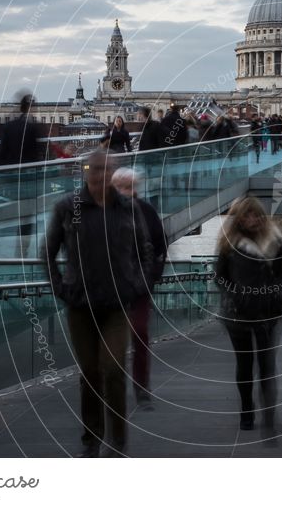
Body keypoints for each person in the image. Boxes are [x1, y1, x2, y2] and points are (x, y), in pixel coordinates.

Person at [43, 150, 154, 458]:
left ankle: (118, 441)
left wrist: (138, 285)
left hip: (117, 303)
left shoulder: (128, 209)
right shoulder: (69, 208)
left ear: (111, 174)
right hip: (81, 305)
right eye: (94, 170)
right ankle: (92, 440)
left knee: (113, 369)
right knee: (90, 374)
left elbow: (146, 250)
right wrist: (61, 288)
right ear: (86, 173)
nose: (99, 176)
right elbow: (48, 251)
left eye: (106, 170)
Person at [215, 197, 282, 437]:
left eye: (256, 215)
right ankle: (247, 409)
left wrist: (273, 291)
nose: (253, 219)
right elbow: (220, 276)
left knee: (267, 365)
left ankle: (269, 412)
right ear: (239, 219)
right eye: (247, 216)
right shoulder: (229, 243)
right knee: (244, 364)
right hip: (238, 314)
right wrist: (237, 295)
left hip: (267, 312)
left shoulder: (276, 243)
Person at [111, 168, 168, 406]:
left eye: (133, 186)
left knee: (140, 334)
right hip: (110, 287)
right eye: (125, 186)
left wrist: (149, 278)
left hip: (139, 286)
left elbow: (160, 246)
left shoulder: (146, 211)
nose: (131, 191)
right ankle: (111, 386)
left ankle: (141, 386)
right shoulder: (102, 213)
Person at [0, 92, 41, 258]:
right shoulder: (33, 127)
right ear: (31, 107)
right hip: (28, 180)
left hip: (12, 180)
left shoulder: (9, 126)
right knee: (27, 216)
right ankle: (22, 251)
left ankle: (9, 249)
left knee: (16, 214)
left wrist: (4, 178)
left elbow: (0, 156)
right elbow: (38, 156)